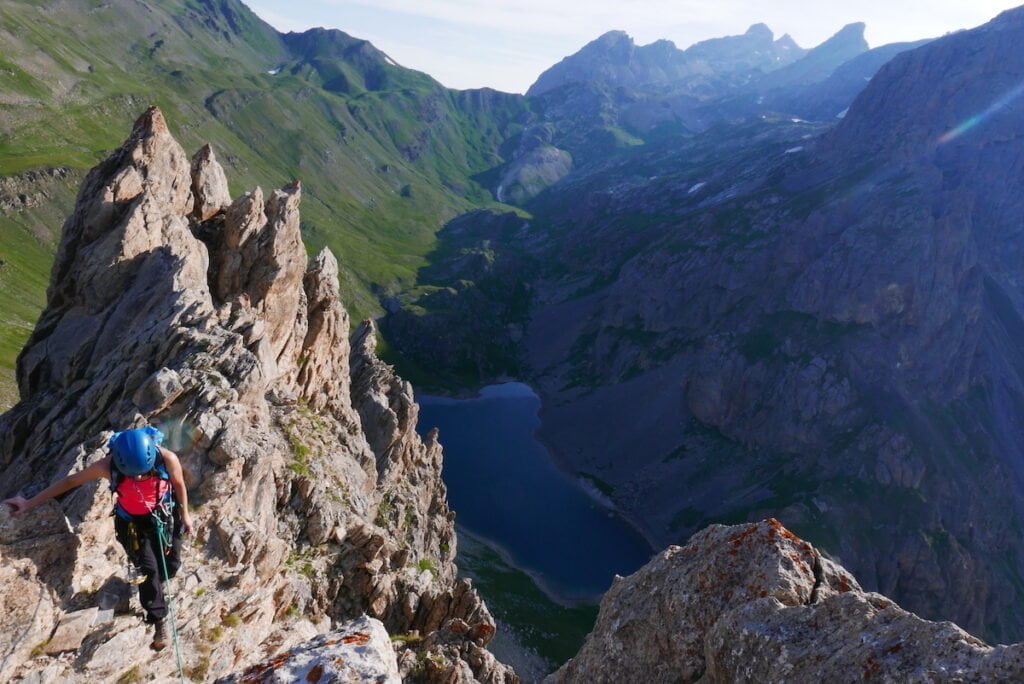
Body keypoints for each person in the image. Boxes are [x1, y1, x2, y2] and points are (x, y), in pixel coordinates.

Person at [3, 426, 194, 650]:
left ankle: (157, 584)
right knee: (148, 570)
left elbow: (179, 485)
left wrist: (186, 516)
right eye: (134, 474)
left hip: (164, 517)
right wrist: (28, 503)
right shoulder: (107, 466)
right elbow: (70, 482)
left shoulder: (167, 458)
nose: (139, 477)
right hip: (132, 524)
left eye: (143, 472)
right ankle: (158, 618)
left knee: (171, 566)